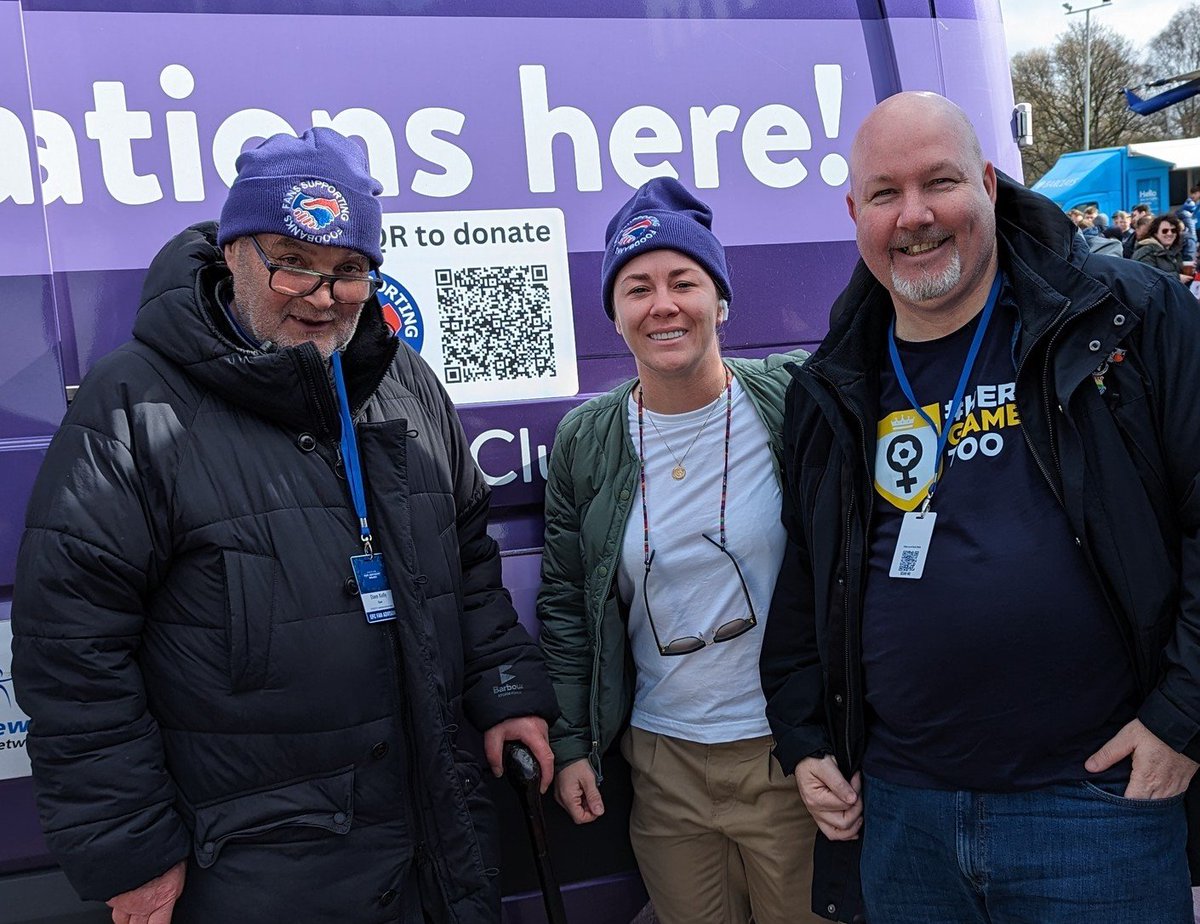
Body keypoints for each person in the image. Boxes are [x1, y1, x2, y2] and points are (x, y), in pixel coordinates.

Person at [11, 127, 558, 924]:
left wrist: (504, 686)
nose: (322, 293)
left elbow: (468, 555)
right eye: (291, 261)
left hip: (433, 839)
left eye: (348, 270)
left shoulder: (402, 378)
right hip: (254, 867)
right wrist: (131, 850)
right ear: (233, 252)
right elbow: (72, 647)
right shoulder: (134, 403)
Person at [761, 91, 1200, 923]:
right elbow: (809, 584)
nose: (915, 215)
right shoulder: (832, 383)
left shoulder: (1123, 319)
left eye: (941, 182)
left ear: (990, 186)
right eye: (885, 194)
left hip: (1096, 809)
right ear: (855, 213)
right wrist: (806, 736)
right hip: (902, 817)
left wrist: (1180, 719)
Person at [537, 177, 820, 924]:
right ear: (616, 316)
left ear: (719, 301)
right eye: (637, 289)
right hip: (664, 766)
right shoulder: (587, 440)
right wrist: (573, 746)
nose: (662, 304)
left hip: (790, 756)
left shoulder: (793, 402)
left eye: (683, 281)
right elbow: (568, 605)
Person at [1132, 214, 1192, 285]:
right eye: (1165, 231)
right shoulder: (1146, 251)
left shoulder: (1174, 251)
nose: (1169, 233)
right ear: (1155, 233)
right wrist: (1177, 278)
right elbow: (1147, 279)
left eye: (1173, 230)